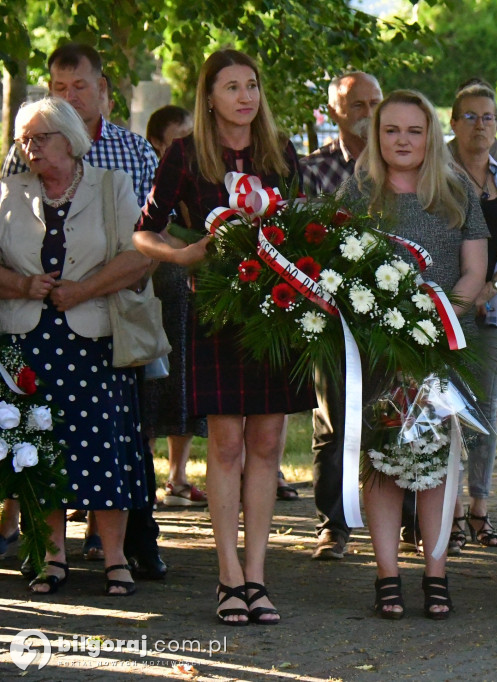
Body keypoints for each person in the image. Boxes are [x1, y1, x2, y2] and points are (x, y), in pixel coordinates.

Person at [135, 49, 316, 625]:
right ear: (208, 96)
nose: (245, 96)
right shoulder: (184, 154)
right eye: (232, 86)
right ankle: (227, 576)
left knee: (266, 447)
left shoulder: (280, 153)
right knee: (227, 446)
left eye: (252, 85)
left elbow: (307, 227)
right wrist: (183, 254)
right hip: (217, 316)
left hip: (278, 316)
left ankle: (258, 577)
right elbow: (145, 233)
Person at [1, 42, 166, 580]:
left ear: (68, 141)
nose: (30, 149)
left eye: (40, 139)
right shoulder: (8, 193)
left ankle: (117, 559)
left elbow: (139, 255)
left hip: (95, 338)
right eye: (24, 141)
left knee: (103, 447)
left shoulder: (112, 183)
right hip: (28, 341)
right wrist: (24, 284)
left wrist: (84, 288)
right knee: (40, 449)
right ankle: (51, 557)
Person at [338, 89, 488, 619]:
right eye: (391, 130)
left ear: (431, 136)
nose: (403, 140)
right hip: (376, 353)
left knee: (436, 465)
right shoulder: (357, 194)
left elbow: (474, 270)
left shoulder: (455, 193)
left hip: (437, 350)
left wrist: (443, 316)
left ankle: (437, 573)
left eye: (414, 130)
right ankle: (386, 576)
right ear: (376, 137)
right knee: (381, 463)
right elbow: (338, 270)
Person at [300, 70, 383, 561]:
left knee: (396, 413)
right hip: (330, 313)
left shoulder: (402, 165)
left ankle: (409, 519)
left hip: (392, 312)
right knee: (334, 421)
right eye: (358, 105)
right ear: (334, 111)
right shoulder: (313, 169)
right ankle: (333, 523)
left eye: (376, 101)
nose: (370, 112)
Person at [447, 82, 497, 549]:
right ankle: (449, 513)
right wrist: (463, 292)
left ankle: (480, 511)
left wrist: (490, 287)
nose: (480, 126)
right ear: (454, 124)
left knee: (482, 411)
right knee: (444, 408)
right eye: (471, 117)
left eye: (489, 118)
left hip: (496, 311)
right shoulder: (434, 177)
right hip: (441, 311)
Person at [141, 105, 208, 509]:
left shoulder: (203, 175)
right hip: (158, 289)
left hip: (194, 291)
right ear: (159, 144)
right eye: (180, 137)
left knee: (185, 381)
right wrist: (184, 246)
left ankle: (178, 475)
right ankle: (144, 474)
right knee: (154, 383)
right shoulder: (157, 176)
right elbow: (152, 229)